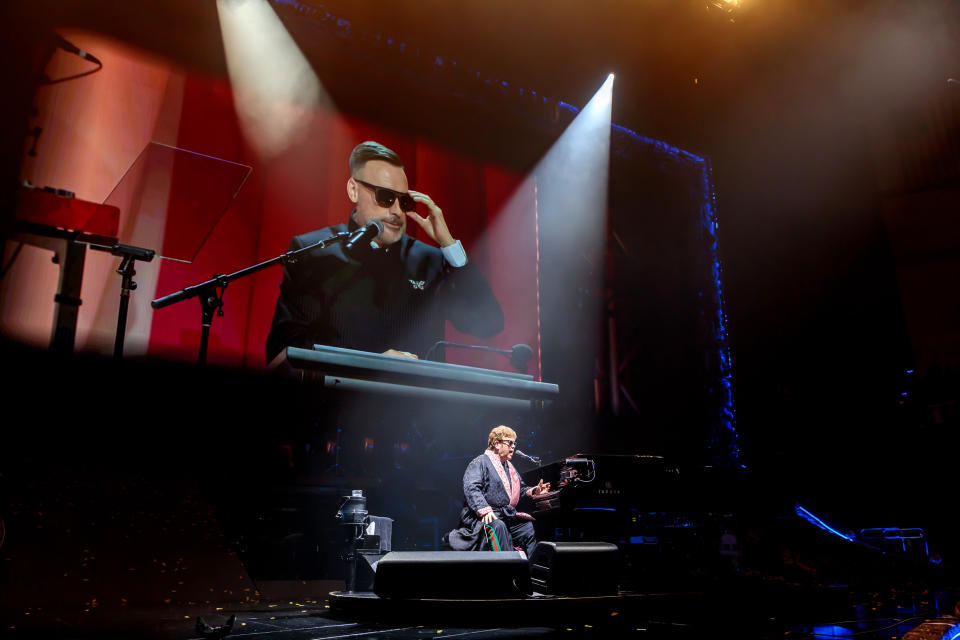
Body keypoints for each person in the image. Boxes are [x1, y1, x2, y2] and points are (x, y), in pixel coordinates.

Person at [265, 140, 504, 363]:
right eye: (386, 197)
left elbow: (488, 323)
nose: (398, 211)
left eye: (405, 201)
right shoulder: (314, 252)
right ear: (353, 190)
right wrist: (373, 362)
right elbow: (282, 352)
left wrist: (449, 245)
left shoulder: (429, 261)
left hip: (409, 406)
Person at [447, 425, 551, 556]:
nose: (513, 446)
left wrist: (535, 490)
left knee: (528, 528)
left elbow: (520, 489)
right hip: (481, 518)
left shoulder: (509, 467)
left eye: (514, 443)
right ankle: (505, 571)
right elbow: (471, 487)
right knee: (498, 526)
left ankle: (528, 571)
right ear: (496, 444)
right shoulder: (479, 462)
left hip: (504, 516)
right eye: (510, 443)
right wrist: (484, 510)